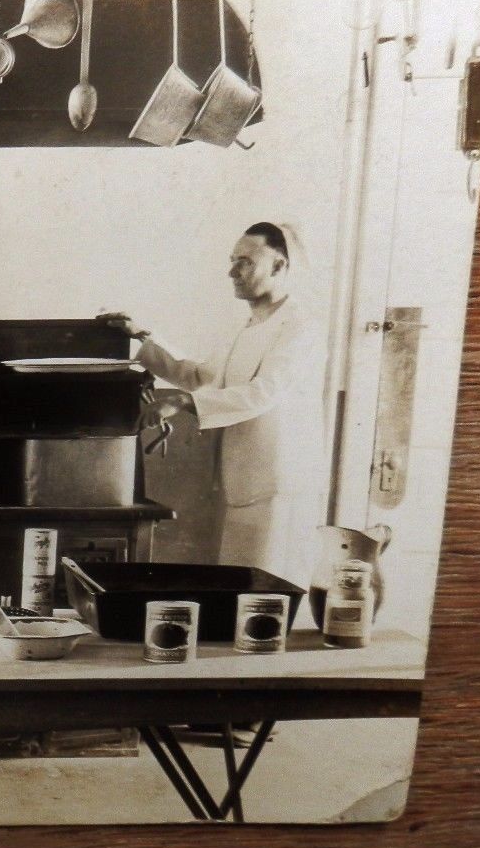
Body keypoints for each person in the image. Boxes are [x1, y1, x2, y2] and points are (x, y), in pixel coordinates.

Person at [100, 222, 325, 583]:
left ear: (280, 266)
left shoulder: (300, 327)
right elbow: (198, 377)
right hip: (242, 481)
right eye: (232, 260)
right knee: (241, 589)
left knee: (267, 592)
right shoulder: (249, 326)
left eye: (245, 262)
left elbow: (265, 392)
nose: (232, 272)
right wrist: (141, 335)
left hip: (280, 486)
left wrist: (183, 402)